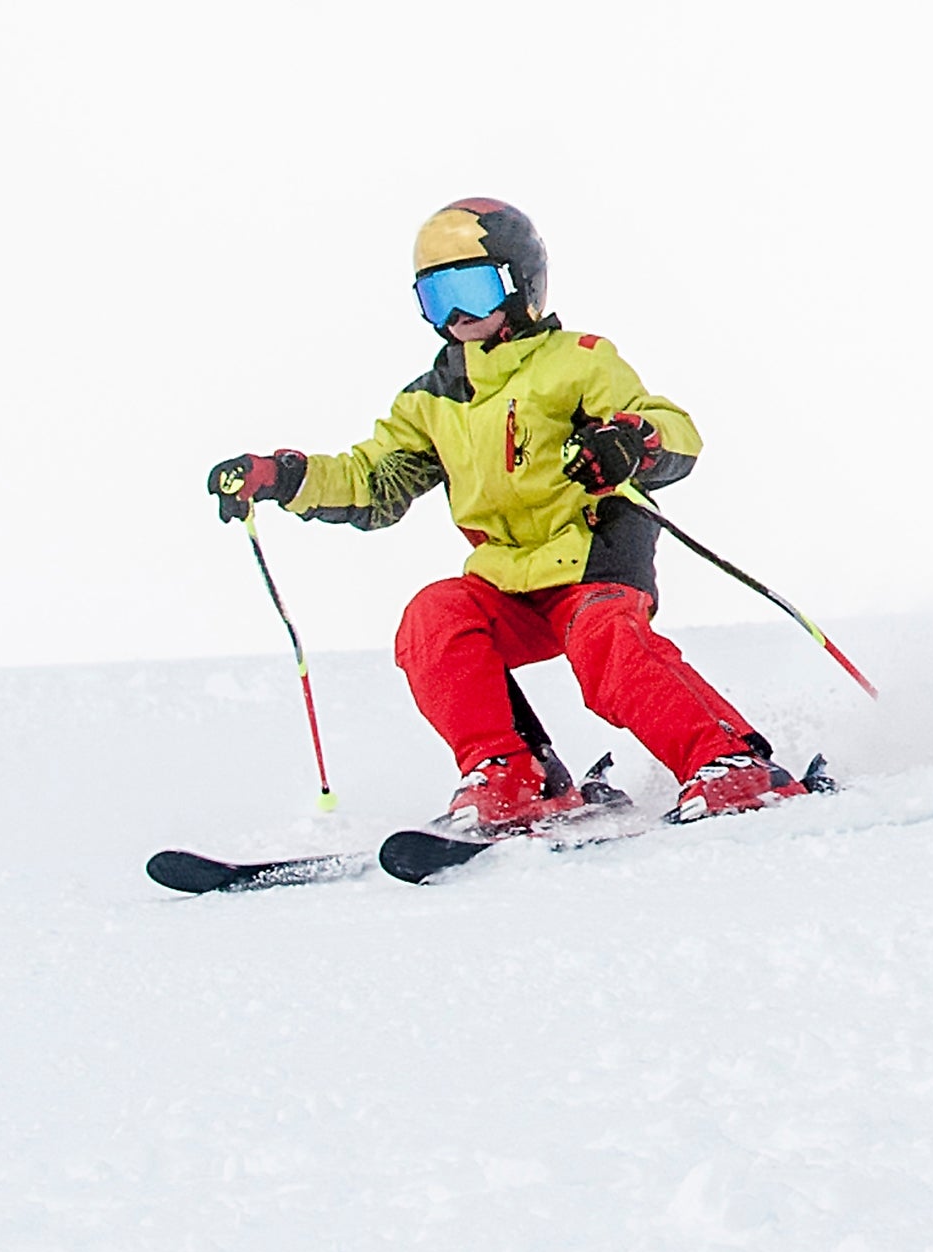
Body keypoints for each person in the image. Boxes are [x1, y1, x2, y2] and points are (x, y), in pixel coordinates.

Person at [206, 199, 821, 834]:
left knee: (604, 642)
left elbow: (676, 431)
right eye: (437, 296)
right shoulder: (432, 399)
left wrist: (631, 442)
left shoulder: (578, 360)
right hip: (509, 580)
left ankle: (729, 763)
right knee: (434, 617)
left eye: (473, 288)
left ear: (521, 285)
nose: (458, 314)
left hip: (593, 556)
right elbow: (373, 480)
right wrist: (284, 476)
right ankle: (512, 774)